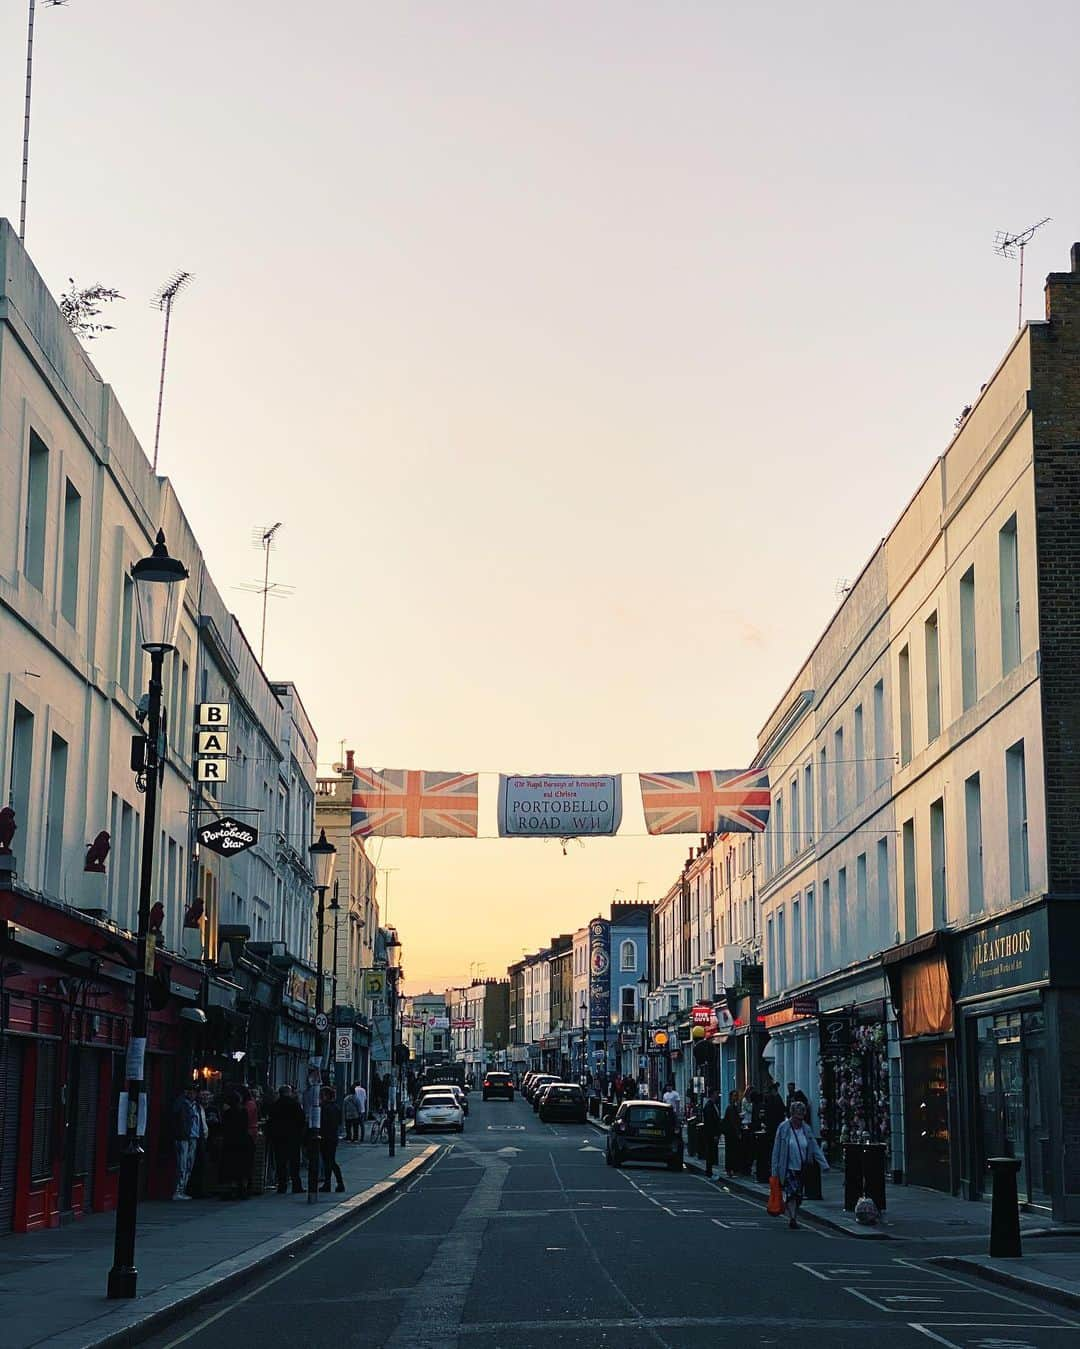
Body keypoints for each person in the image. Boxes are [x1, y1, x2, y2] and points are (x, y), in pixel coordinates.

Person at [770, 1099, 828, 1229]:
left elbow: (814, 1147)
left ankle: (793, 1213)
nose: (799, 1120)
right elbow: (776, 1150)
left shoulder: (806, 1129)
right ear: (792, 1114)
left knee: (798, 1194)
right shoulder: (783, 1128)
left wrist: (824, 1164)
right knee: (791, 1193)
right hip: (787, 1167)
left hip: (802, 1167)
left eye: (801, 1116)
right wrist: (774, 1171)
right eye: (797, 1116)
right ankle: (793, 1218)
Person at [266, 1085, 305, 1194]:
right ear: (289, 1092)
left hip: (279, 1138)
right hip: (293, 1137)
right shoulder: (295, 1104)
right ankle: (296, 1185)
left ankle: (282, 1186)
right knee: (294, 1162)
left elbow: (270, 1121)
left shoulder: (275, 1105)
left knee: (280, 1162)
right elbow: (301, 1120)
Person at [219, 1090, 254, 1199]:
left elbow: (224, 1127)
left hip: (230, 1143)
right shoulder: (243, 1111)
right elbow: (245, 1125)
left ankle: (232, 1189)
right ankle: (242, 1189)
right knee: (242, 1167)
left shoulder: (227, 1113)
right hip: (243, 1142)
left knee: (232, 1167)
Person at [171, 1086, 202, 1200]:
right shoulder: (182, 1104)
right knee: (182, 1165)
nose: (192, 1094)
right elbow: (175, 1112)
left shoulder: (196, 1106)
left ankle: (182, 1189)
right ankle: (178, 1190)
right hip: (183, 1137)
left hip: (193, 1137)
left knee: (189, 1164)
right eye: (190, 1092)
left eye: (194, 1092)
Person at [319, 1087, 345, 1192]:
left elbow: (322, 1123)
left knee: (328, 1161)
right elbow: (339, 1122)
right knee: (331, 1161)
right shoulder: (336, 1107)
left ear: (326, 1095)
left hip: (325, 1137)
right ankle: (335, 1183)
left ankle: (331, 1183)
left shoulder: (324, 1108)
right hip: (333, 1137)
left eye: (322, 1094)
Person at [700, 1086, 722, 1179]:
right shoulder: (709, 1106)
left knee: (711, 1153)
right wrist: (715, 1135)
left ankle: (710, 1171)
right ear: (713, 1094)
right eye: (717, 1094)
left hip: (711, 1134)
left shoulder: (713, 1105)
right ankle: (709, 1172)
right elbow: (710, 1122)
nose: (718, 1096)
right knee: (710, 1153)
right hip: (710, 1134)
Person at [721, 1089, 744, 1177]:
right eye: (735, 1096)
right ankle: (730, 1170)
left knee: (733, 1152)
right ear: (731, 1097)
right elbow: (733, 1121)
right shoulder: (730, 1108)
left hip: (731, 1133)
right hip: (731, 1134)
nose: (736, 1097)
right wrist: (738, 1132)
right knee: (730, 1152)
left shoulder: (734, 1107)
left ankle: (732, 1170)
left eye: (737, 1096)